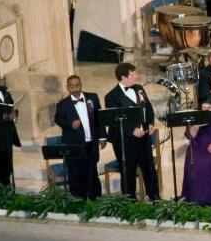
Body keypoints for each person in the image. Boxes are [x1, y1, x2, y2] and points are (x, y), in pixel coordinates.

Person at [102, 62, 160, 200]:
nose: (136, 76)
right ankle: (130, 201)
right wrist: (131, 131)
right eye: (133, 74)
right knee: (128, 172)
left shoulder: (139, 88)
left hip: (143, 138)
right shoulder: (111, 96)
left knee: (149, 169)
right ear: (123, 77)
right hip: (124, 141)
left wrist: (150, 123)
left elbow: (149, 108)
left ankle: (155, 197)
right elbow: (114, 120)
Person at [52, 74, 103, 199]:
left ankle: (95, 198)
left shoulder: (92, 98)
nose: (75, 88)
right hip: (74, 144)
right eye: (71, 86)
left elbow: (99, 118)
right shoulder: (62, 104)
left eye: (77, 85)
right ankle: (78, 199)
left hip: (91, 142)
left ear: (81, 85)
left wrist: (102, 137)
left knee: (92, 170)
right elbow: (58, 120)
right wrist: (70, 124)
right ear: (67, 87)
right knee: (75, 172)